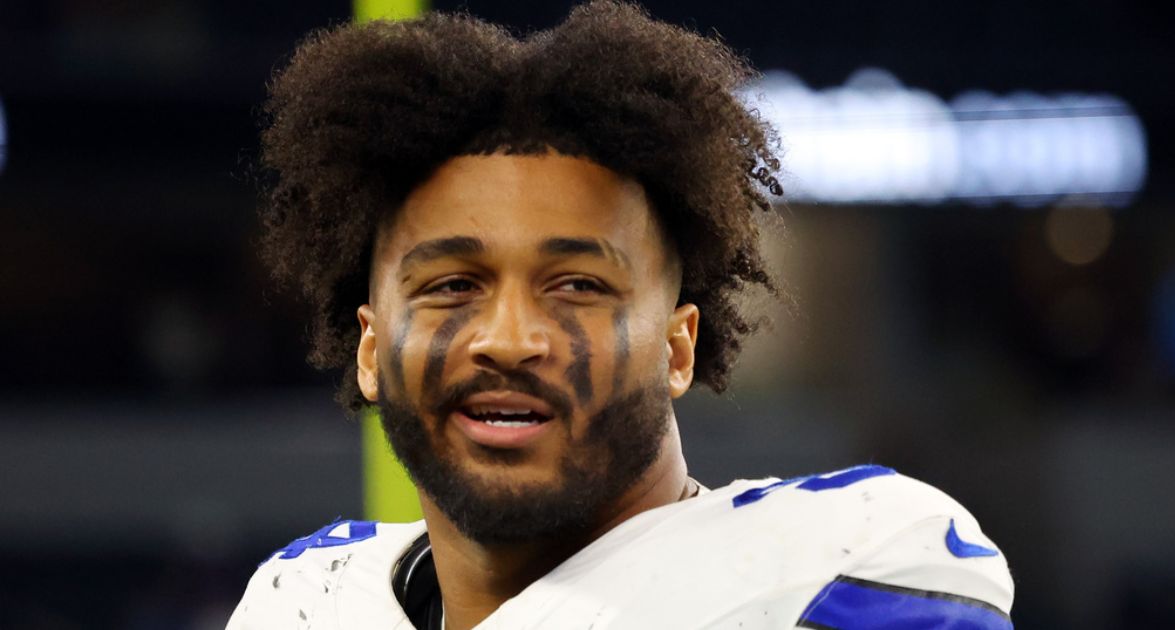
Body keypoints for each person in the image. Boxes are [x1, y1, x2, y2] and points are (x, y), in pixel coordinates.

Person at [227, 2, 1014, 628]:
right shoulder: (306, 603)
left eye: (576, 286)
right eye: (452, 286)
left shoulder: (840, 565)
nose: (509, 339)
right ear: (370, 350)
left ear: (679, 348)